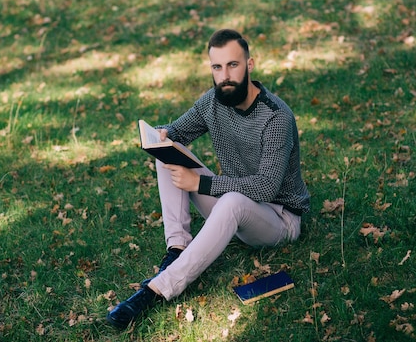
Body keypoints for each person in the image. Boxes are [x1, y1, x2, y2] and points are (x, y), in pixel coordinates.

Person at [106, 28, 310, 329]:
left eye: (233, 65)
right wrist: (161, 135)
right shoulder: (213, 102)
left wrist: (200, 183)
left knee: (230, 202)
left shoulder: (276, 117)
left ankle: (158, 289)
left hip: (280, 219)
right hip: (237, 205)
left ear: (250, 66)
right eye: (217, 67)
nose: (225, 75)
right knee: (168, 154)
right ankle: (177, 249)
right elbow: (177, 131)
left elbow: (266, 186)